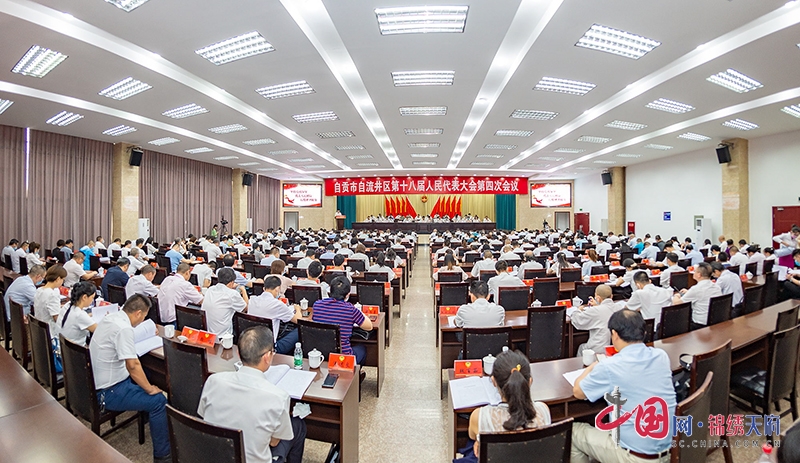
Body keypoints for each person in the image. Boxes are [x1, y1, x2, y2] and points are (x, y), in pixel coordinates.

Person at [571, 310, 676, 463]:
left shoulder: (610, 366)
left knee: (574, 432)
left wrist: (592, 366)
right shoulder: (661, 356)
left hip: (635, 457)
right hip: (670, 450)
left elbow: (578, 392)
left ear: (614, 334)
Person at [198, 326, 306, 463]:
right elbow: (274, 442)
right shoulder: (278, 397)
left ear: (238, 353)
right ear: (267, 357)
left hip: (215, 456)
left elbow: (202, 416)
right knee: (297, 425)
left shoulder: (213, 381)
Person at [89, 295, 170, 462]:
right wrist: (149, 389)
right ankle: (163, 456)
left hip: (97, 382)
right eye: (144, 317)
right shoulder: (124, 328)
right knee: (159, 401)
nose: (142, 321)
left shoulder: (111, 318)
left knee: (146, 373)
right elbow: (132, 366)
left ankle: (149, 418)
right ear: (138, 313)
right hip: (109, 392)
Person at [461, 350, 551, 463]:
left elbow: (472, 435)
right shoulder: (544, 410)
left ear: (493, 381)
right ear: (530, 382)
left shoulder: (480, 416)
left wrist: (479, 440)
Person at [311, 276, 373, 365]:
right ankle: (355, 375)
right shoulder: (350, 309)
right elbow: (369, 326)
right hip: (343, 358)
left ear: (330, 291)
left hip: (320, 353)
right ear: (348, 294)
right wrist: (359, 311)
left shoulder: (317, 305)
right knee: (362, 349)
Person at [248, 276, 303, 355]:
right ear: (277, 289)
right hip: (270, 348)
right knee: (299, 330)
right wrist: (297, 309)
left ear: (264, 288)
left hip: (252, 343)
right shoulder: (277, 304)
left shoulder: (252, 300)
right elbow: (298, 320)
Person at [570, 284, 618, 354]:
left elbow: (577, 321)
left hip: (598, 349)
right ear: (611, 296)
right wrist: (598, 305)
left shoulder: (595, 311)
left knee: (581, 348)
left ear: (597, 298)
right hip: (615, 346)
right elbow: (606, 310)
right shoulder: (619, 307)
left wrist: (577, 310)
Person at [673, 262, 722, 330]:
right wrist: (688, 292)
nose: (694, 272)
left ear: (699, 275)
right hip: (715, 320)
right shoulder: (716, 286)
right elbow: (703, 294)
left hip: (699, 324)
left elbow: (676, 303)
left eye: (695, 271)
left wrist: (676, 295)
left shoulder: (696, 289)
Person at [203, 268, 249, 336]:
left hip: (208, 333)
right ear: (231, 282)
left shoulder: (210, 289)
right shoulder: (232, 294)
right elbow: (245, 308)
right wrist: (243, 291)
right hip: (223, 336)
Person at [56, 281, 98, 345]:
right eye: (92, 298)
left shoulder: (68, 305)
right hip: (75, 350)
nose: (92, 301)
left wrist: (89, 315)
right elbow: (98, 330)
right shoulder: (80, 315)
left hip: (62, 345)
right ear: (84, 297)